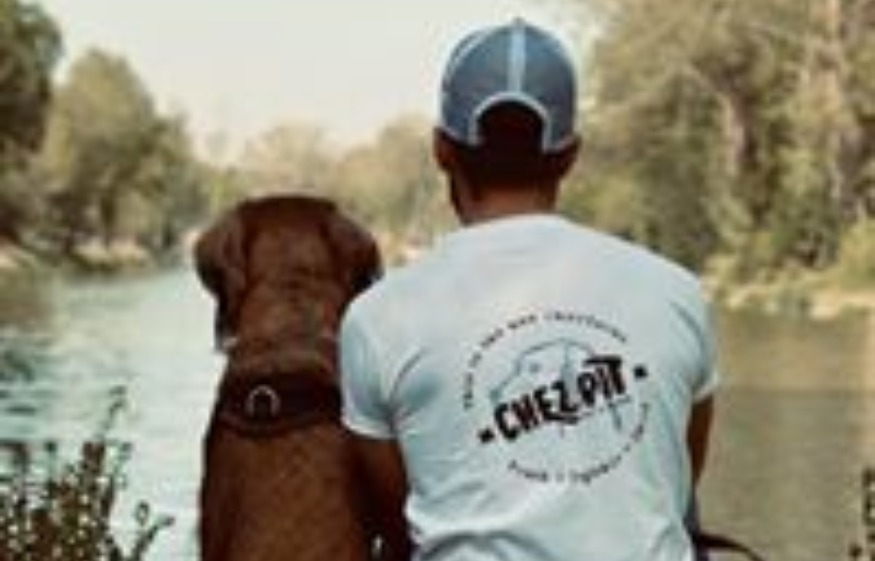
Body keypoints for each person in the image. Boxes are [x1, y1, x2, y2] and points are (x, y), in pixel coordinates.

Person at [340, 18, 718, 561]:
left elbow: (398, 519)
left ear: (441, 149)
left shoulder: (378, 318)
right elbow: (675, 484)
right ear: (570, 154)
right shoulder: (676, 294)